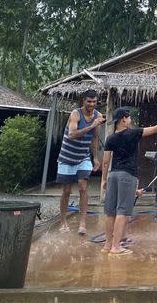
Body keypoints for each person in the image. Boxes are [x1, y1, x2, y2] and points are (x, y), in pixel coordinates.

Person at [101, 107, 157, 255]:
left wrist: (104, 180)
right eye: (129, 118)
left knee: (110, 212)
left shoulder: (110, 138)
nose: (130, 120)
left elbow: (105, 161)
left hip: (113, 175)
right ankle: (116, 247)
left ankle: (107, 245)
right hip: (127, 175)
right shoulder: (133, 133)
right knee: (122, 212)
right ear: (123, 119)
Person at [57, 89, 105, 235]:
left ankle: (82, 223)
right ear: (83, 101)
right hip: (67, 157)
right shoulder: (75, 114)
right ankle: (63, 221)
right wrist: (91, 125)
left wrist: (95, 157)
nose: (91, 104)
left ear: (97, 102)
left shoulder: (98, 115)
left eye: (94, 102)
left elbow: (95, 138)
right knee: (66, 190)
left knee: (83, 187)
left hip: (83, 157)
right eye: (89, 101)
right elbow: (72, 134)